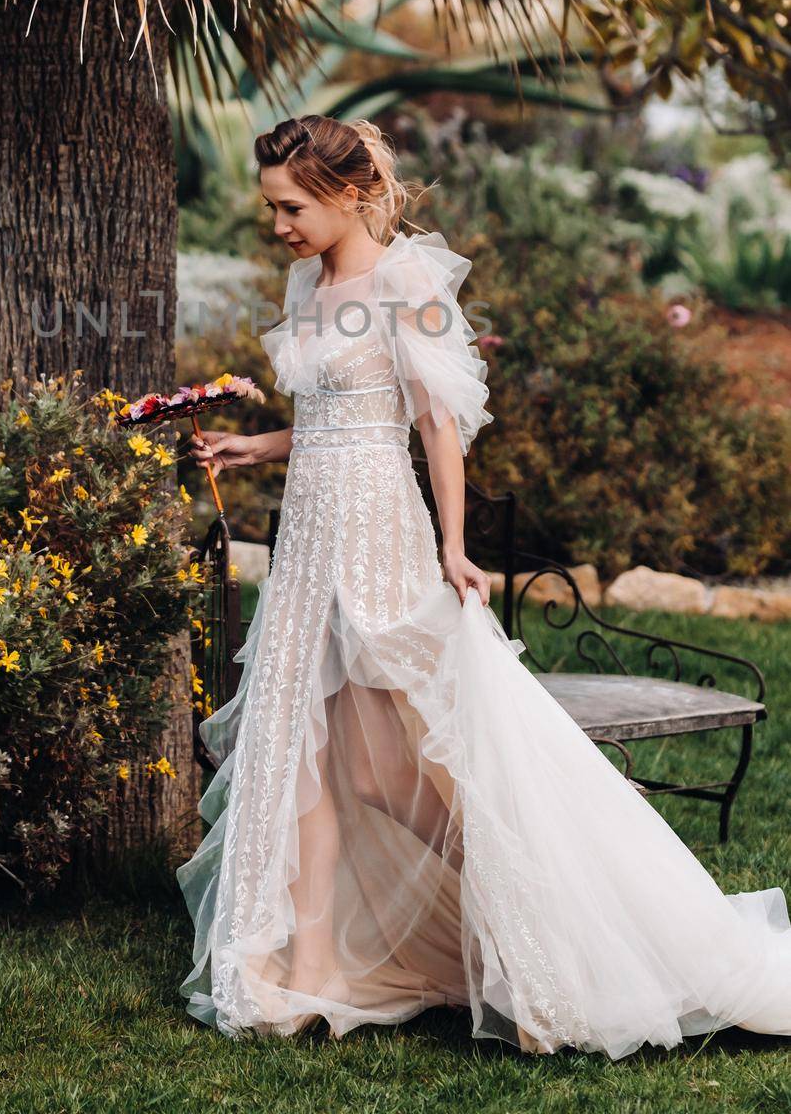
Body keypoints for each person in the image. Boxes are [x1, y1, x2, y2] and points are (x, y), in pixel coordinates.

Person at [175, 114, 791, 1056]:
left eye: (292, 207)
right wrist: (259, 443)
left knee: (410, 752)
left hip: (380, 530)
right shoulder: (308, 282)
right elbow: (340, 411)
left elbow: (432, 424)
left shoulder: (408, 280)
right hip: (305, 542)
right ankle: (296, 970)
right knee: (314, 749)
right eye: (271, 210)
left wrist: (454, 548)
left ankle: (553, 912)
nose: (279, 227)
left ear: (347, 194)